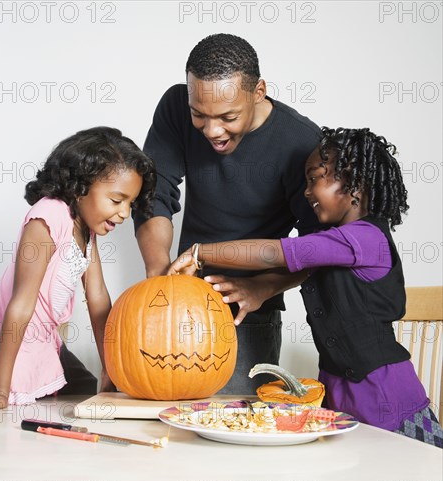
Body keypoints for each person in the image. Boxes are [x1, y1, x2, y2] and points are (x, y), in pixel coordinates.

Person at [168, 127, 443, 448]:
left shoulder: (366, 238)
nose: (308, 192)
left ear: (354, 184)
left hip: (388, 402)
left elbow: (276, 253)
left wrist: (199, 253)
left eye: (316, 178)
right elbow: (301, 270)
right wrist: (258, 290)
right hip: (339, 395)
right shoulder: (337, 243)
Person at [135, 33, 323, 394]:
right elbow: (154, 193)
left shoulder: (301, 143)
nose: (212, 131)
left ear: (259, 92)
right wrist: (159, 277)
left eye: (228, 117)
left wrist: (262, 287)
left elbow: (322, 247)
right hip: (180, 301)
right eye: (199, 115)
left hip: (248, 312)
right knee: (170, 426)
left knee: (232, 429)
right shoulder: (174, 106)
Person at [0, 127, 156, 411]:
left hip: (42, 339)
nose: (124, 213)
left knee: (83, 384)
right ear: (80, 187)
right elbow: (21, 304)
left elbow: (98, 299)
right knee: (14, 406)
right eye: (116, 200)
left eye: (130, 204)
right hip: (6, 336)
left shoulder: (86, 229)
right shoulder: (48, 216)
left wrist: (111, 368)